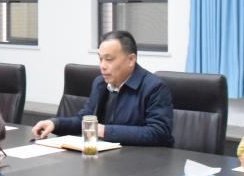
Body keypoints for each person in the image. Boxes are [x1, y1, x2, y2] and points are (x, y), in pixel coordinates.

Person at [32, 30, 173, 146]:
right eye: (100, 59)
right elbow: (84, 120)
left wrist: (104, 131)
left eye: (109, 59)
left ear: (131, 60)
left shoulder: (154, 88)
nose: (102, 66)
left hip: (143, 163)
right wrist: (55, 124)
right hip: (107, 158)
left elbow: (158, 133)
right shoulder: (100, 83)